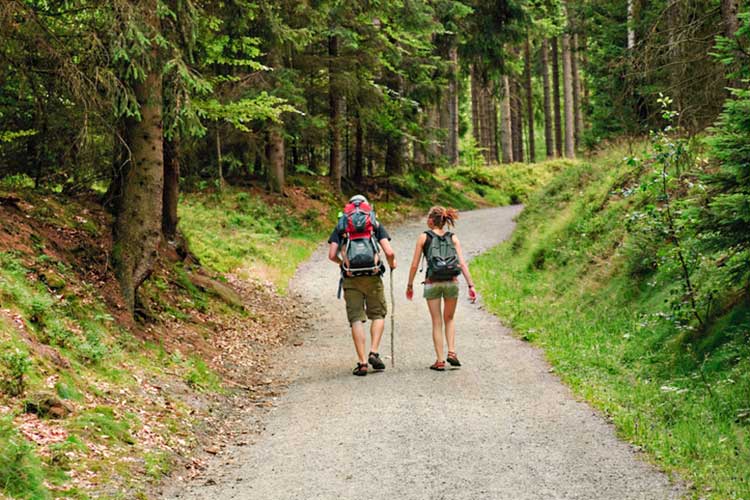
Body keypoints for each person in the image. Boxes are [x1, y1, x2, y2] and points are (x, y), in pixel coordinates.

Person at [328, 195, 397, 376]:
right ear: (368, 208)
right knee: (378, 314)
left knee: (356, 319)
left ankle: (362, 363)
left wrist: (342, 263)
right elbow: (389, 251)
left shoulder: (342, 225)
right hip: (373, 275)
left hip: (351, 278)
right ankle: (374, 351)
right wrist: (392, 264)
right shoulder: (374, 224)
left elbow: (331, 254)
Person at [406, 206, 476, 371]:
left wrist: (409, 285)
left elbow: (415, 264)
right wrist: (471, 285)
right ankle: (452, 352)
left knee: (437, 321)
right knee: (449, 319)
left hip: (433, 282)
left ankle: (439, 360)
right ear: (444, 221)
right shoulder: (453, 237)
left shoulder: (424, 237)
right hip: (452, 281)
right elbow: (462, 263)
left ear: (431, 220)